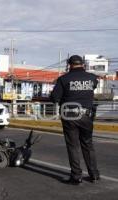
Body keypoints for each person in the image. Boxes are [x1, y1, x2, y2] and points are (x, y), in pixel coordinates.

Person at [50, 55, 100, 185]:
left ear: (69, 64)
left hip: (69, 116)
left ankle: (76, 176)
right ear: (82, 64)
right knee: (88, 144)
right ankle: (94, 174)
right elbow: (92, 87)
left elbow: (54, 98)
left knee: (73, 146)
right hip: (87, 116)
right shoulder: (92, 78)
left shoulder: (63, 79)